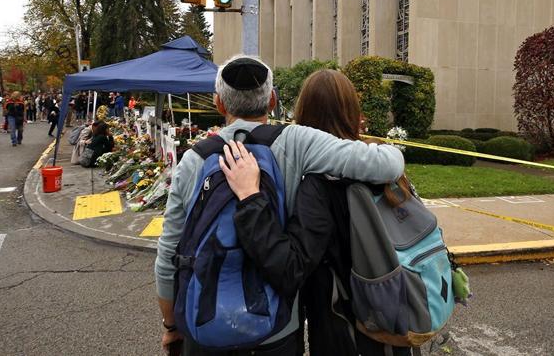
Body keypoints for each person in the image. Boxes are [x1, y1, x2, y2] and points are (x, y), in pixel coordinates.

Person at [155, 55, 405, 355]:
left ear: (219, 104)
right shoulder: (297, 142)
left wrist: (171, 326)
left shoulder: (194, 160)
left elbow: (169, 253)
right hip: (277, 330)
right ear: (272, 101)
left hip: (203, 326)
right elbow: (388, 165)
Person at [222, 70, 411, 356]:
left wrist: (251, 198)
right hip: (399, 311)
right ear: (352, 111)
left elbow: (291, 267)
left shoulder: (317, 185)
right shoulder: (384, 170)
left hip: (347, 328)